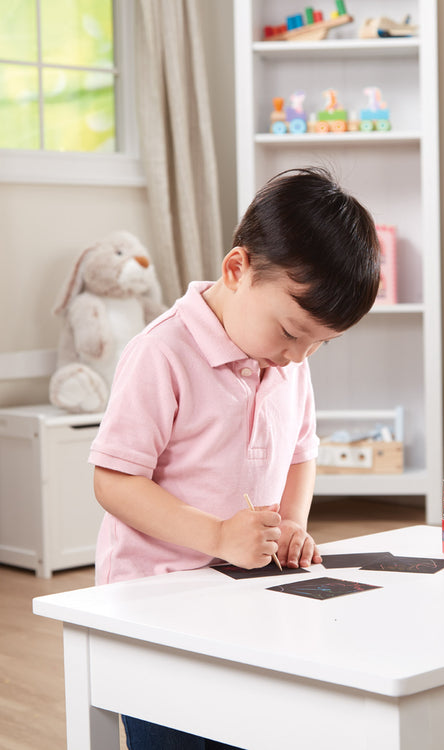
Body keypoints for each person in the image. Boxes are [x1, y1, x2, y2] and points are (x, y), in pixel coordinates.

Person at [89, 166, 381, 750]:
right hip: (155, 606)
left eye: (319, 344)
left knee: (251, 728)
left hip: (247, 592)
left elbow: (301, 454)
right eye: (292, 332)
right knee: (175, 736)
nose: (299, 357)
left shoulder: (285, 364)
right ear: (236, 270)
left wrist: (292, 526)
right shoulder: (161, 354)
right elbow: (115, 481)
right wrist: (218, 535)